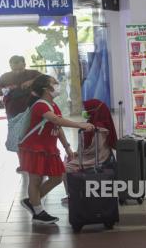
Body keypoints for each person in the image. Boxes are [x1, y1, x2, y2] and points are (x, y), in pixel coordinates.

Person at [18, 74, 94, 224]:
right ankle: (38, 212)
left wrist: (67, 148)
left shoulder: (52, 104)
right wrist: (80, 125)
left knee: (57, 178)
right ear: (47, 88)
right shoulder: (40, 105)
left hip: (49, 148)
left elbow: (57, 127)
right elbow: (56, 120)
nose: (58, 85)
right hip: (34, 148)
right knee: (36, 179)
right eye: (55, 82)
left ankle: (32, 201)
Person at [61, 99, 118, 203]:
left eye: (86, 109)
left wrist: (79, 154)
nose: (84, 110)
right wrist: (78, 153)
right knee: (67, 160)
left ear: (94, 110)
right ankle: (73, 194)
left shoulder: (99, 128)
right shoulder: (91, 123)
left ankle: (72, 195)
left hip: (98, 158)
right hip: (93, 155)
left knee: (65, 168)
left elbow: (96, 149)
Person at [0, 55, 43, 173]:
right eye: (14, 69)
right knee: (18, 137)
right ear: (10, 66)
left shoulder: (34, 73)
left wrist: (32, 82)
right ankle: (23, 164)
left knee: (36, 136)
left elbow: (49, 80)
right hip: (13, 111)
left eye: (19, 69)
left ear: (24, 65)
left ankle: (38, 163)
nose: (17, 72)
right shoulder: (5, 77)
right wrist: (7, 88)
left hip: (33, 109)